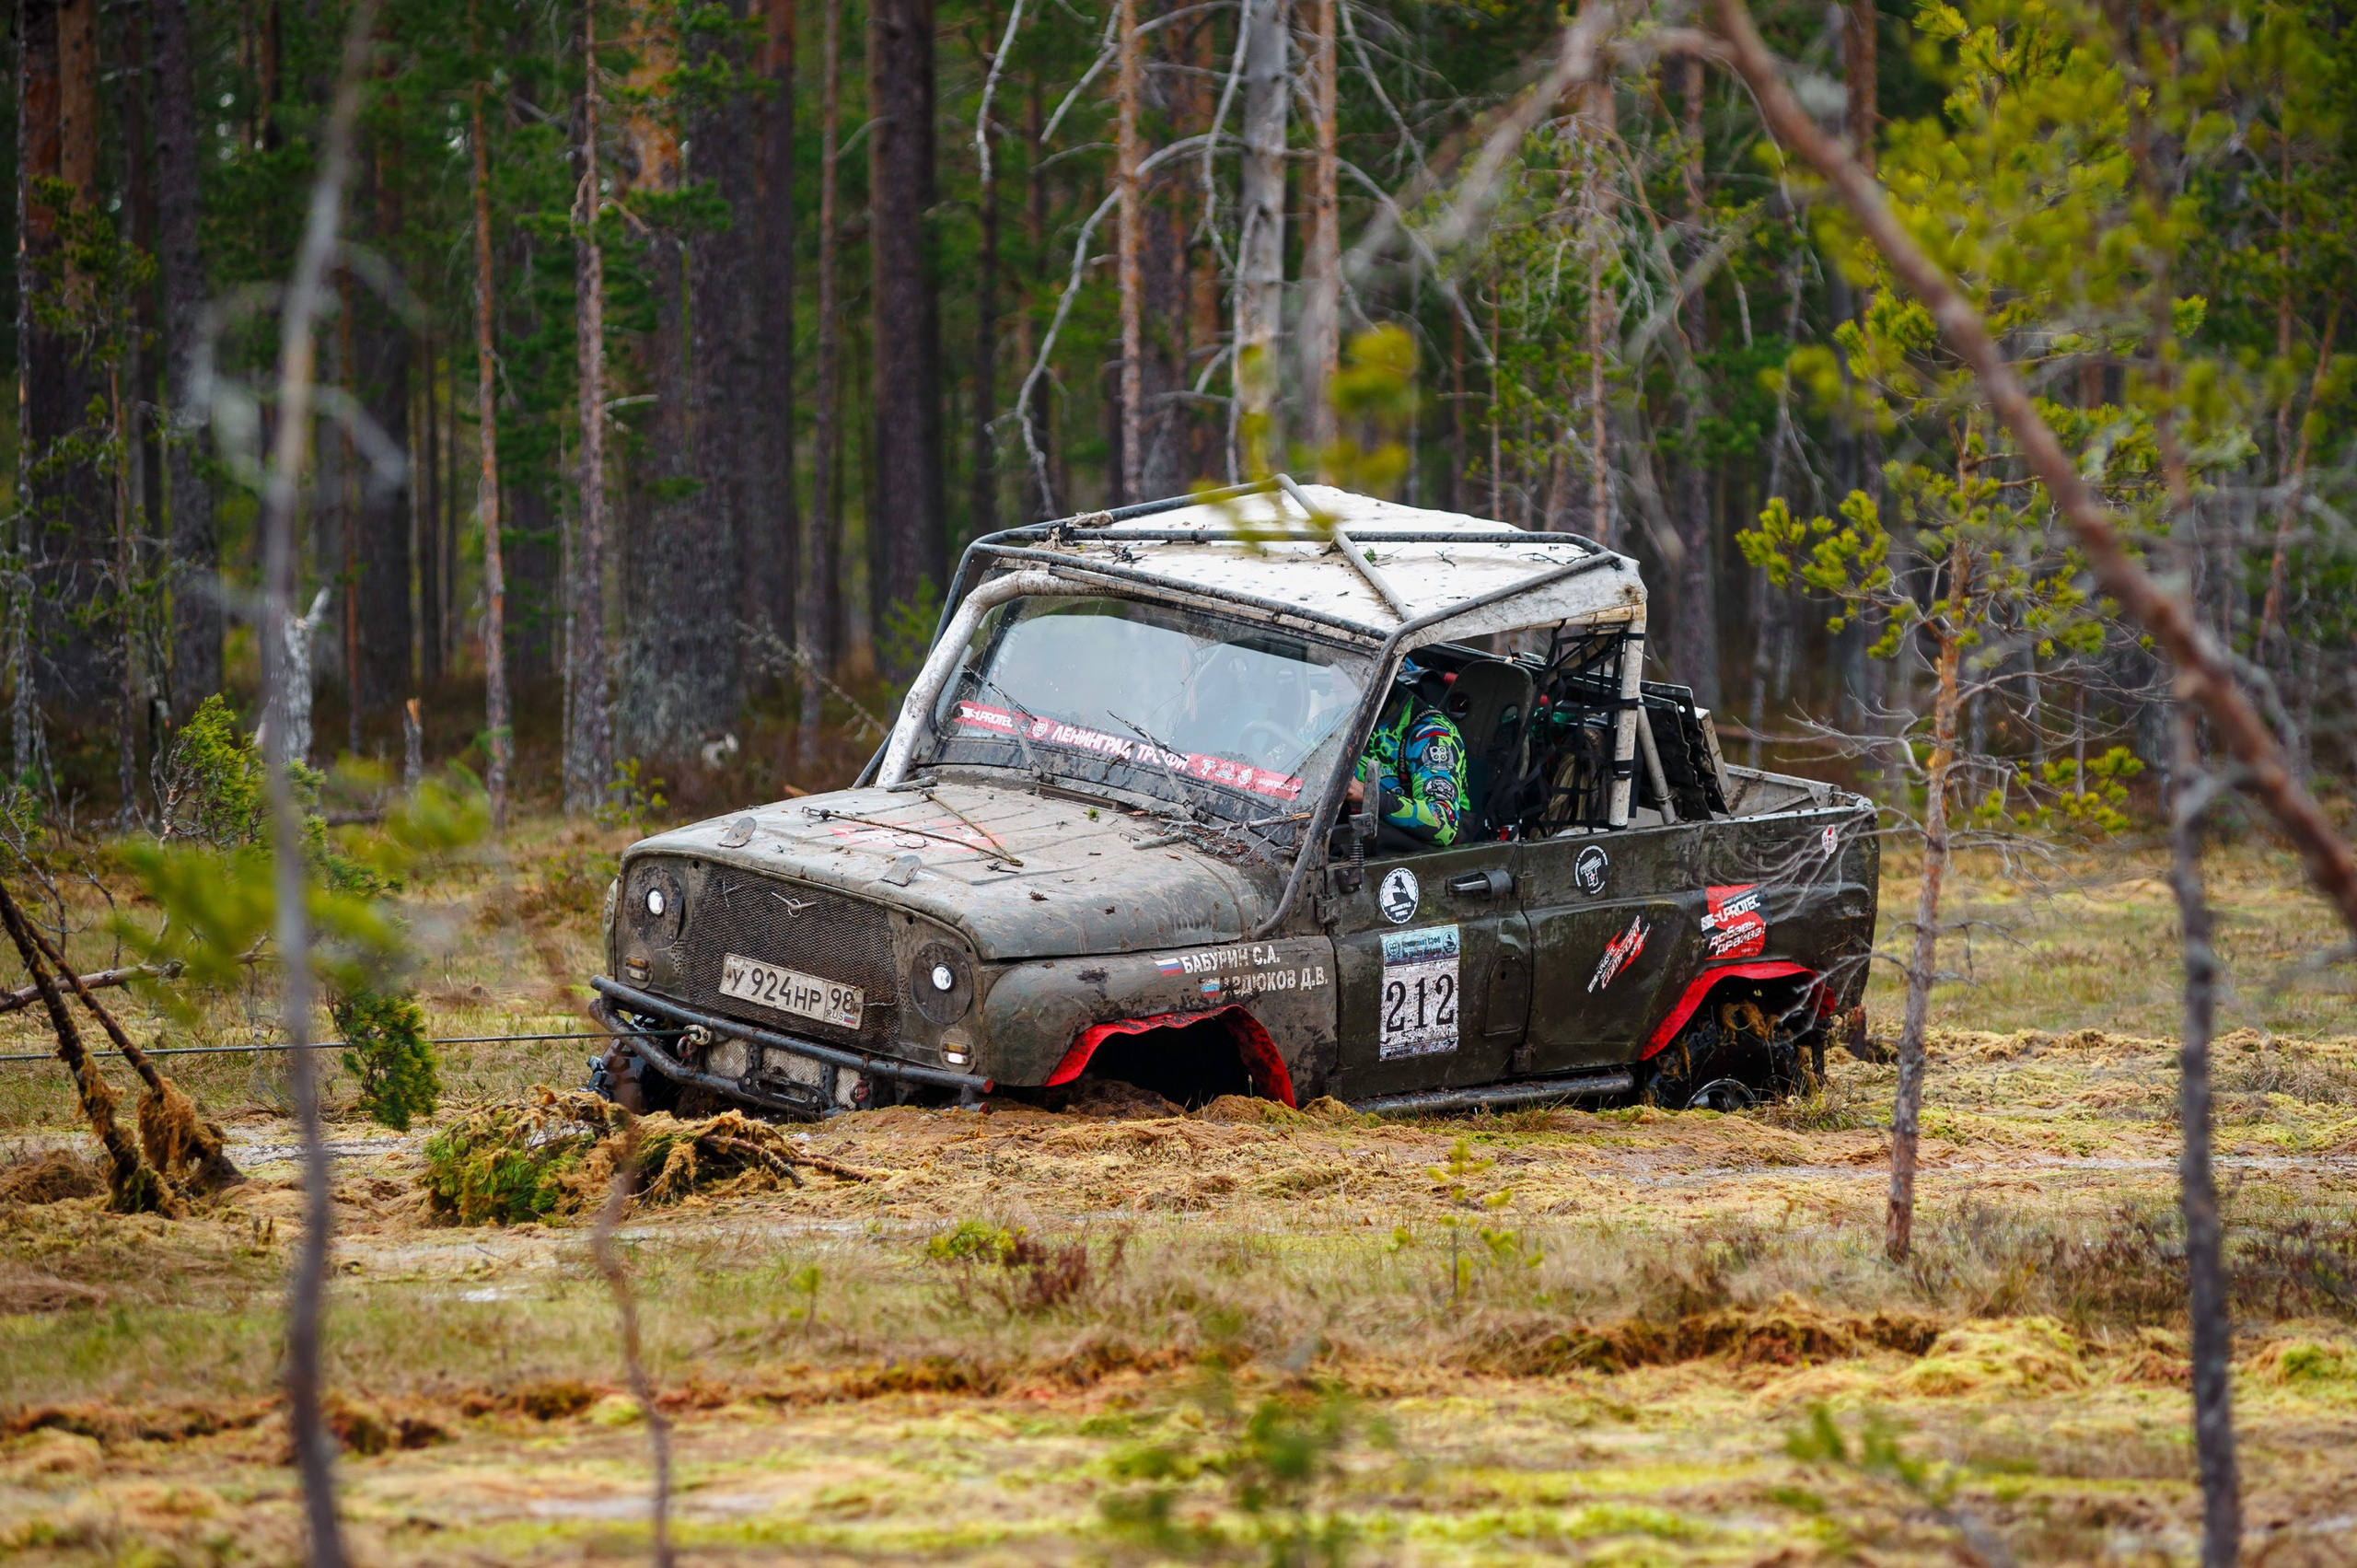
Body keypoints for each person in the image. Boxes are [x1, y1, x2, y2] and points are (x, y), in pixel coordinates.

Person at [1346, 657, 1469, 853]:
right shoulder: (1334, 718)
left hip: (1413, 863)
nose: (1336, 677)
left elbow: (1443, 825)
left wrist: (1367, 795)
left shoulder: (1432, 734)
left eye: (1352, 666)